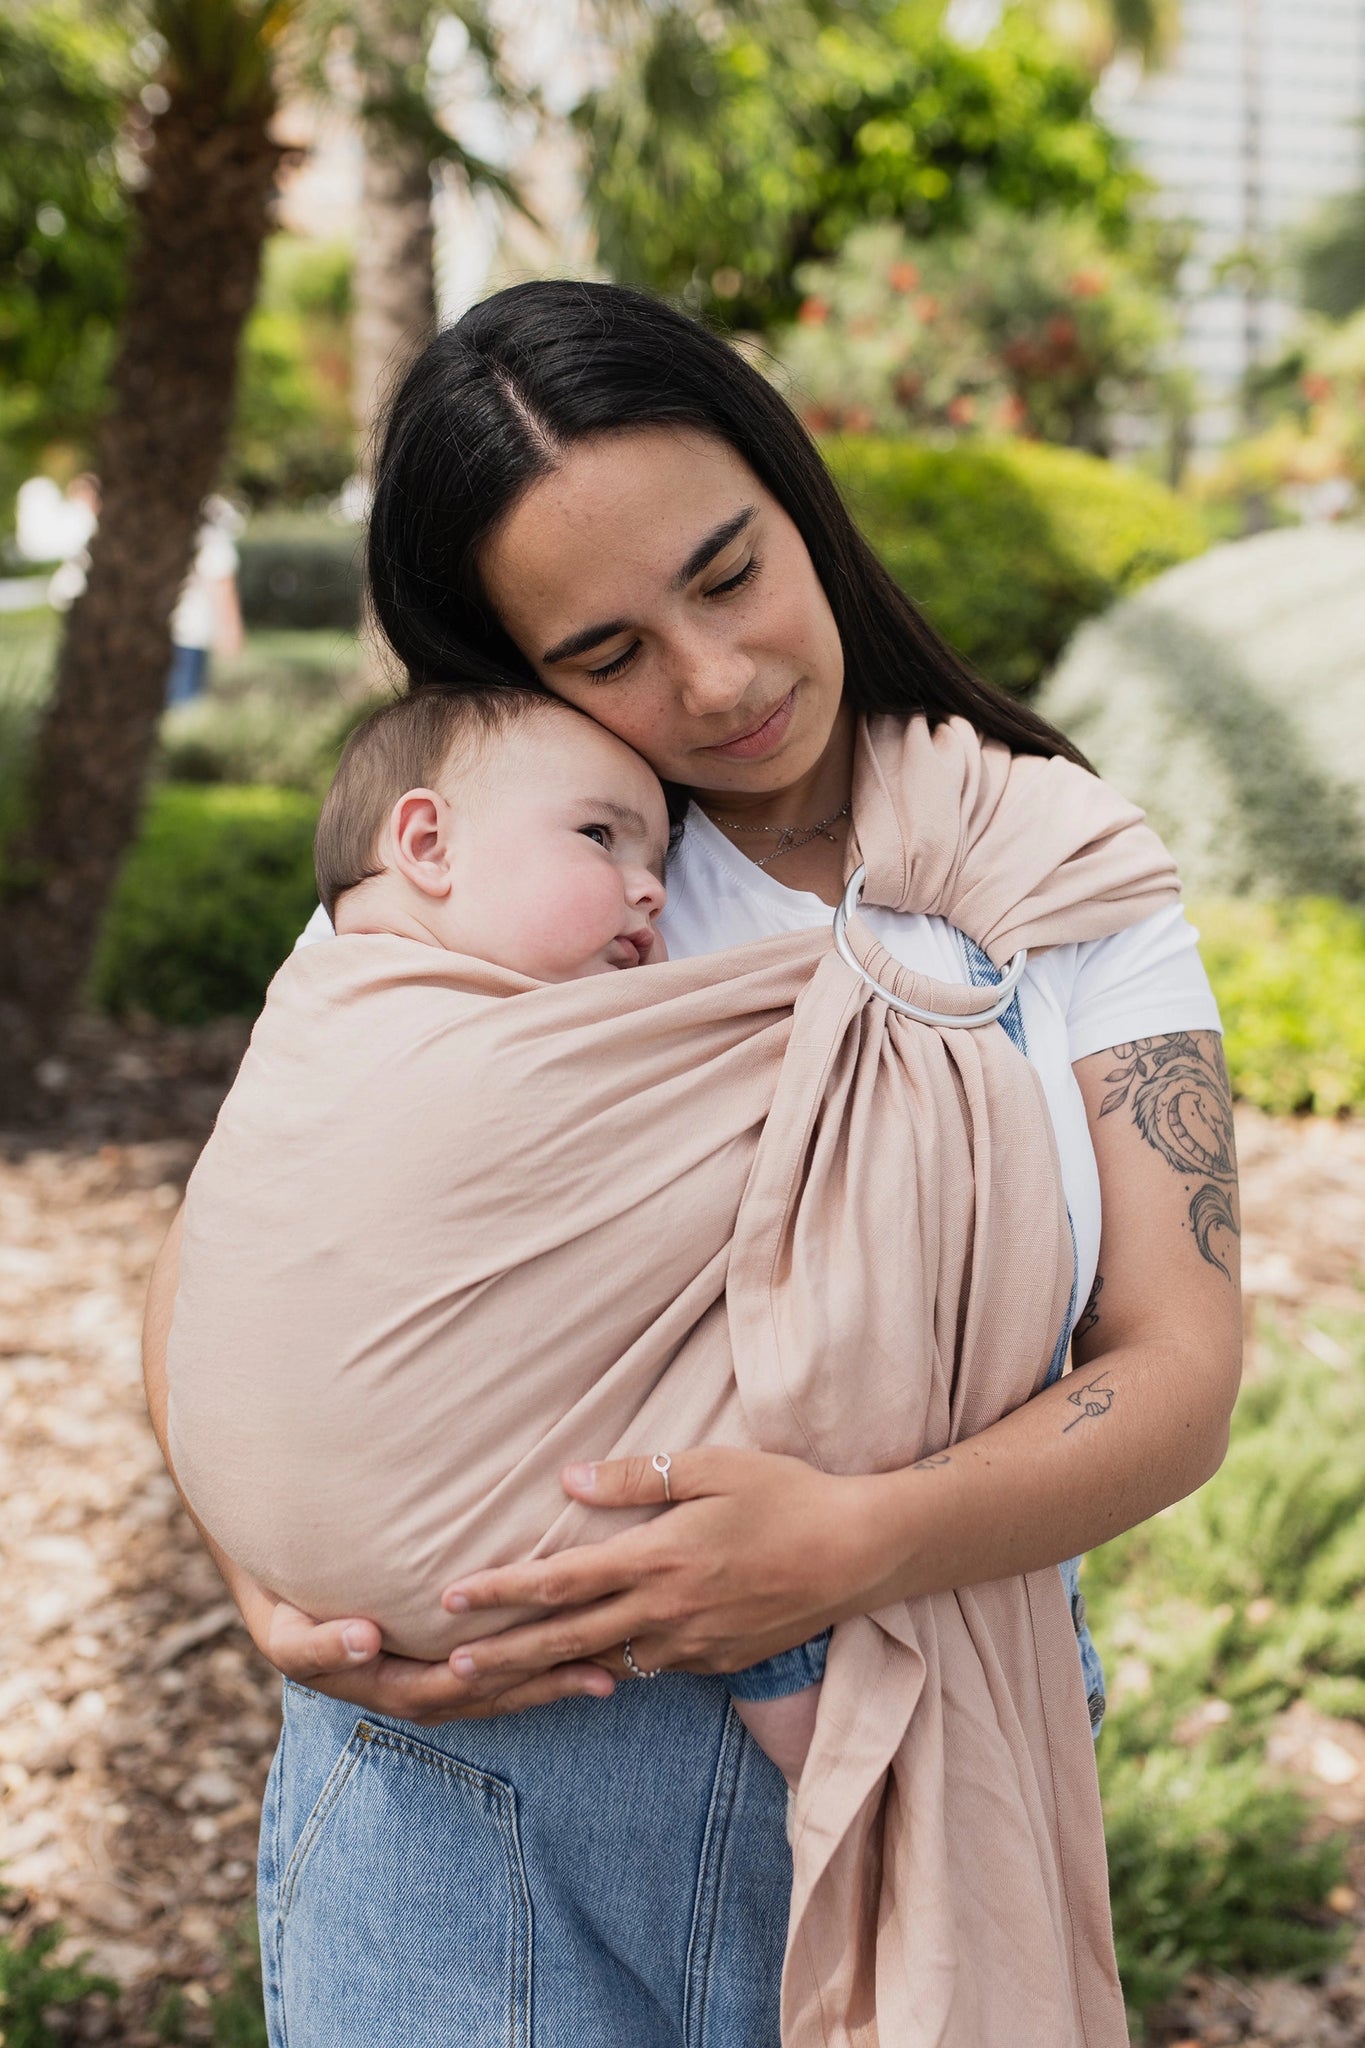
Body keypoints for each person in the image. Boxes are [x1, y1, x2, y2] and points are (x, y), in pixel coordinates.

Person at [143, 280, 1241, 2048]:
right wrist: (257, 1558)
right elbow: (235, 1249)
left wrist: (855, 1541)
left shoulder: (1052, 874)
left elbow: (1181, 1368)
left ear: (799, 500)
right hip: (463, 1789)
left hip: (906, 1729)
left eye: (728, 573)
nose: (714, 679)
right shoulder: (523, 883)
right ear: (514, 668)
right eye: (605, 654)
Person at [166, 685, 823, 1791]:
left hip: (308, 1572)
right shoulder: (388, 1013)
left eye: (653, 848)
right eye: (601, 835)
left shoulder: (333, 1000)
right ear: (425, 843)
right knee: (764, 1360)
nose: (650, 882)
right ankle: (794, 1685)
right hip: (487, 1579)